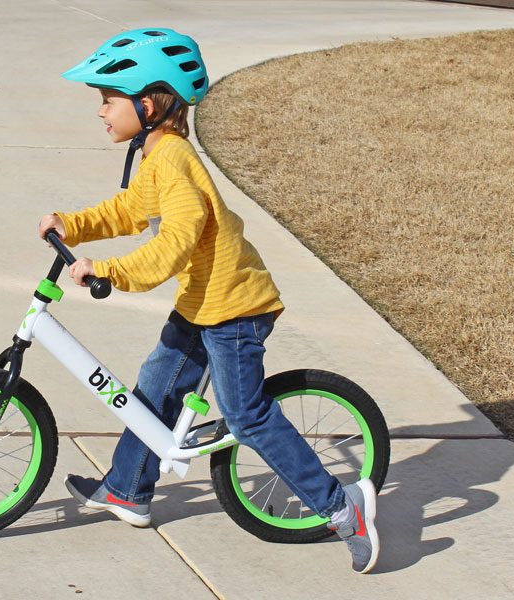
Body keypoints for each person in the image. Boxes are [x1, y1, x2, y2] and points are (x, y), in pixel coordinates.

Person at [38, 27, 380, 574]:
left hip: (234, 310)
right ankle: (127, 488)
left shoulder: (171, 159)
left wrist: (110, 272)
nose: (101, 111)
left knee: (245, 416)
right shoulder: (156, 152)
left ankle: (343, 509)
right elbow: (130, 209)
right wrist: (72, 224)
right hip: (202, 303)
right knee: (155, 385)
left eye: (107, 99)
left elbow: (175, 242)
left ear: (146, 103)